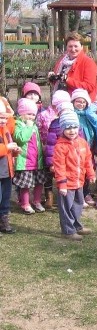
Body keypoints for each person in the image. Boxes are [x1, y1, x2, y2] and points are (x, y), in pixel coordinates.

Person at [53, 111, 96, 241]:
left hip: (79, 182)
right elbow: (59, 167)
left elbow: (88, 160)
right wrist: (62, 184)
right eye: (68, 128)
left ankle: (77, 226)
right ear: (63, 129)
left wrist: (91, 173)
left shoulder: (82, 143)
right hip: (67, 184)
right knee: (66, 208)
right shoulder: (60, 146)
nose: (72, 131)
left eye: (74, 127)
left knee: (78, 205)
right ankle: (68, 230)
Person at [12, 98, 46, 214]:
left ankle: (37, 201)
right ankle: (25, 204)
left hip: (37, 161)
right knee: (25, 185)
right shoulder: (18, 125)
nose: (31, 117)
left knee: (39, 182)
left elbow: (38, 143)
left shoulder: (34, 126)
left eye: (33, 115)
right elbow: (21, 139)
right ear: (21, 113)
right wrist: (28, 126)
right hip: (25, 161)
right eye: (28, 114)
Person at [48, 32, 97, 102]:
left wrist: (68, 80)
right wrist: (53, 78)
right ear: (66, 47)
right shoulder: (61, 61)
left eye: (76, 46)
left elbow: (89, 86)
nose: (73, 49)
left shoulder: (88, 63)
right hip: (61, 101)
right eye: (70, 46)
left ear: (81, 47)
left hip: (81, 104)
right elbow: (60, 82)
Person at [71, 89, 97, 206]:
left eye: (84, 102)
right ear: (73, 102)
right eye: (78, 101)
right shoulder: (72, 114)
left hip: (88, 146)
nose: (81, 104)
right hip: (76, 148)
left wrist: (92, 107)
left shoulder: (88, 114)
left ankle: (86, 192)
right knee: (78, 171)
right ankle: (78, 194)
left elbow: (96, 124)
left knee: (88, 170)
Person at [0, 99, 20, 235]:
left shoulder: (6, 129)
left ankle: (4, 220)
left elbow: (8, 150)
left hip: (6, 171)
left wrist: (14, 151)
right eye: (0, 117)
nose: (3, 120)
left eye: (5, 118)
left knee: (5, 198)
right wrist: (6, 148)